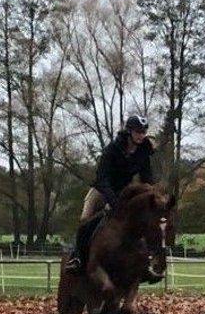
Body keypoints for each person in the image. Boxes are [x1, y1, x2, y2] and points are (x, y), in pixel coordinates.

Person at [64, 114, 155, 274]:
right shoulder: (112, 149)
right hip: (102, 189)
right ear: (129, 132)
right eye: (138, 132)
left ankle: (147, 262)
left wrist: (151, 198)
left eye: (143, 132)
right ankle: (77, 258)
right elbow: (102, 180)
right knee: (85, 220)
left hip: (125, 191)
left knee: (145, 219)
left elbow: (147, 179)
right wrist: (113, 202)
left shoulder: (144, 151)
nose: (141, 135)